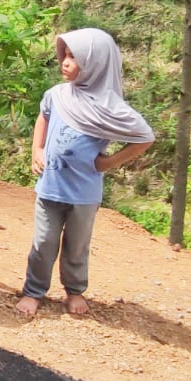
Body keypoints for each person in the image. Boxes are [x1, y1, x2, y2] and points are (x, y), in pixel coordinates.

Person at [16, 29, 154, 317]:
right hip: (50, 186)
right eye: (64, 55)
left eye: (74, 57)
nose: (65, 62)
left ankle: (74, 290)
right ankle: (33, 291)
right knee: (43, 242)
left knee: (77, 245)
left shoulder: (111, 108)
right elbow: (44, 116)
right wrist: (36, 150)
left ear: (96, 64)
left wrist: (108, 163)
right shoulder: (57, 95)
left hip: (83, 194)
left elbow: (144, 137)